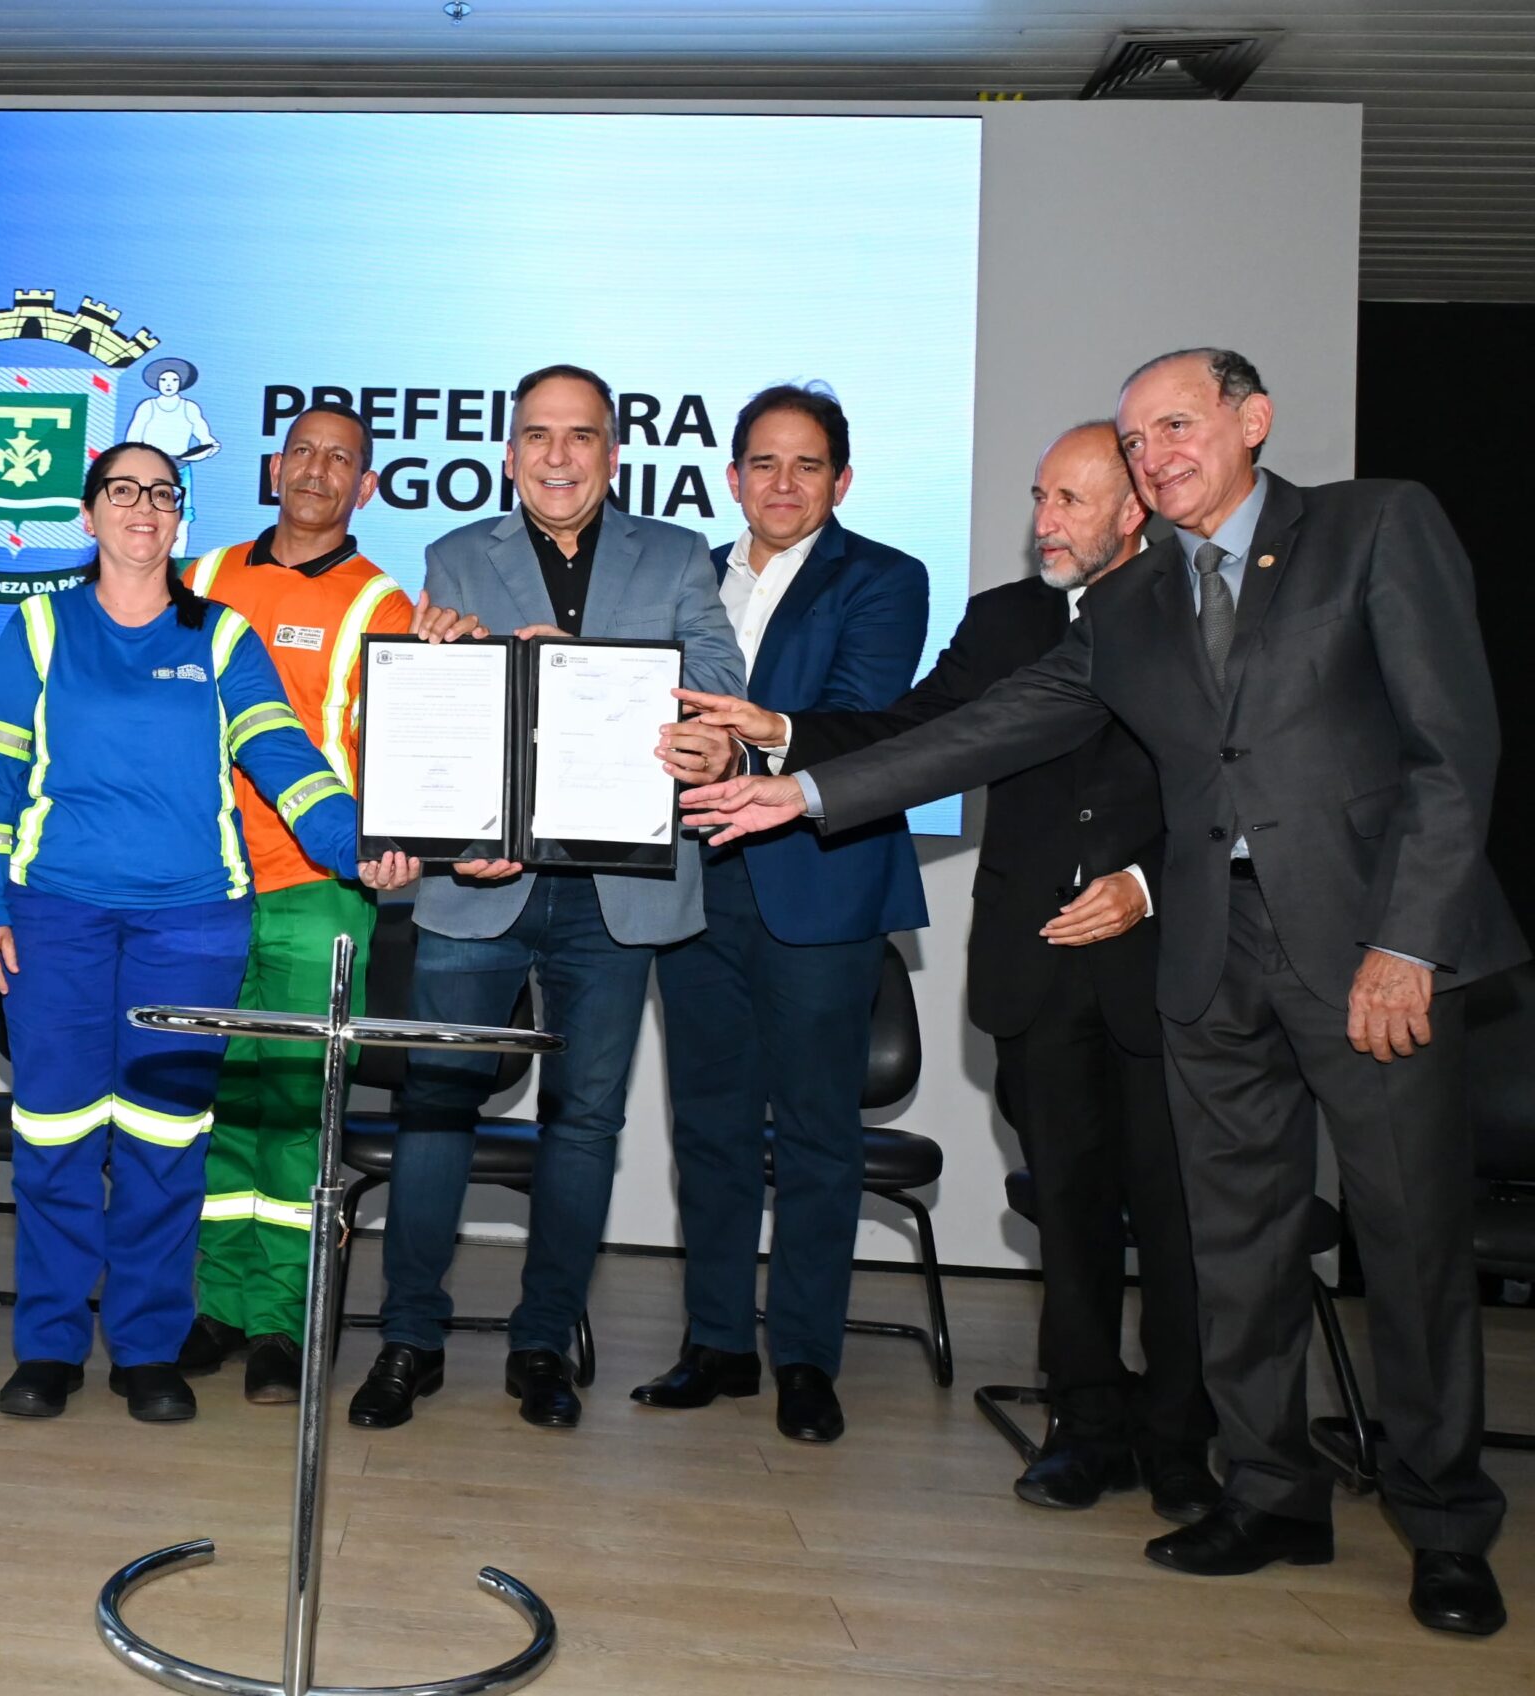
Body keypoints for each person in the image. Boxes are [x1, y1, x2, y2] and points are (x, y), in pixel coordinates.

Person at [681, 350, 1524, 1636]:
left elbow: (1450, 748)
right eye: (1135, 440)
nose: (1154, 455)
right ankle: (1270, 1491)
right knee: (1236, 1246)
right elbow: (990, 725)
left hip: (1368, 954)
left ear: (1253, 420)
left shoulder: (1371, 526)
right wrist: (802, 791)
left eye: (1175, 426)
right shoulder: (1134, 604)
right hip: (1211, 956)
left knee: (1406, 1245)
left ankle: (1445, 1521)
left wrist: (1408, 940)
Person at [671, 423, 1218, 1516]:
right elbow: (920, 732)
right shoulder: (1006, 619)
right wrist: (783, 737)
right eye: (1038, 497)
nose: (1042, 521)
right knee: (1066, 1208)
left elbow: (1229, 784)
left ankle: (1181, 1440)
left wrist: (1147, 880)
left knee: (1173, 1212)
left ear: (1134, 511)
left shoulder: (1203, 616)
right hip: (1035, 954)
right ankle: (1083, 1425)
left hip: (1162, 956)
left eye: (1068, 501)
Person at [0, 442, 395, 1425]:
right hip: (55, 919)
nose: (142, 507)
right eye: (122, 490)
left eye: (161, 492)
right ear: (89, 514)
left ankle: (148, 1348)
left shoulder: (223, 635)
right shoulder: (40, 627)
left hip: (192, 925)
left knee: (165, 1142)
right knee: (56, 1136)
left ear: (179, 517)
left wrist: (358, 844)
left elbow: (285, 757)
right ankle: (49, 1345)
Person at [346, 364, 744, 1435]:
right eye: (537, 435)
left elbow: (720, 688)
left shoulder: (676, 555)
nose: (558, 456)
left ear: (613, 452)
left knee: (584, 1123)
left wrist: (587, 672)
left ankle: (542, 1343)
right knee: (436, 1111)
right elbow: (443, 714)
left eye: (580, 436)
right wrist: (455, 812)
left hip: (616, 893)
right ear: (510, 452)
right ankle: (409, 1339)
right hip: (480, 886)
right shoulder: (452, 556)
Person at [628, 383, 927, 1446]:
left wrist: (748, 747)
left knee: (814, 1134)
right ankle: (717, 1342)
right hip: (694, 880)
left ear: (840, 480)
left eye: (807, 465)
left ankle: (805, 1357)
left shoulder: (885, 578)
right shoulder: (687, 574)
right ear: (731, 476)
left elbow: (862, 721)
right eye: (763, 462)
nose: (783, 483)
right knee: (707, 1125)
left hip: (820, 883)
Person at [174, 402, 469, 1403]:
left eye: (340, 459)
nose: (316, 470)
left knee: (299, 1114)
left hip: (318, 892)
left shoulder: (387, 604)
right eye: (301, 451)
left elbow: (415, 753)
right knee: (218, 1105)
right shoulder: (202, 577)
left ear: (366, 486)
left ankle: (283, 1322)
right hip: (205, 887)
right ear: (273, 468)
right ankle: (217, 1306)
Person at [124, 358, 219, 552]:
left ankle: (178, 560)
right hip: (148, 471)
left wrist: (207, 449)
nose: (168, 384)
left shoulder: (189, 408)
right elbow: (132, 441)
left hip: (180, 469)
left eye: (174, 380)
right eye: (164, 380)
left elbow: (206, 439)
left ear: (181, 383)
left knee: (183, 516)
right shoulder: (148, 406)